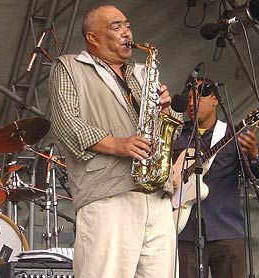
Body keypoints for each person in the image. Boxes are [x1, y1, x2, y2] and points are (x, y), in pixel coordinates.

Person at [49, 5, 181, 278]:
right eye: (116, 26)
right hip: (108, 196)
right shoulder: (69, 67)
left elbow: (168, 137)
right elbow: (66, 124)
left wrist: (165, 112)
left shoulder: (143, 73)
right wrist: (118, 144)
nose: (126, 32)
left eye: (128, 25)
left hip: (156, 196)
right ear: (92, 37)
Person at [172, 78, 259, 278]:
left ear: (215, 100)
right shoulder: (178, 134)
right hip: (184, 229)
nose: (191, 103)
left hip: (225, 229)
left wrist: (254, 154)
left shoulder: (232, 134)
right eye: (189, 98)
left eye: (199, 96)